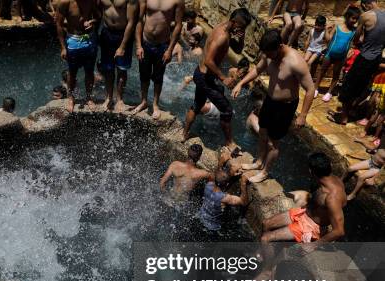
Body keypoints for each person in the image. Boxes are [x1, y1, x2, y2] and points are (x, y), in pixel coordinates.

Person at [232, 29, 315, 183]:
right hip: (270, 100)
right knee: (263, 132)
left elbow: (310, 90)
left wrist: (303, 115)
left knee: (273, 142)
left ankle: (265, 172)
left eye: (270, 54)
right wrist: (240, 83)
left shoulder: (296, 62)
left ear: (280, 46)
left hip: (285, 106)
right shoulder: (268, 54)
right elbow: (257, 69)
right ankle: (258, 162)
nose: (268, 57)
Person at [182, 8, 252, 147]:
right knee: (226, 110)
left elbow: (237, 49)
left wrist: (242, 36)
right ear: (234, 22)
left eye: (244, 28)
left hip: (201, 75)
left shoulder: (226, 29)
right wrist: (223, 78)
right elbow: (208, 60)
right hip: (204, 77)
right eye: (241, 26)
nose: (241, 29)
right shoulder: (222, 36)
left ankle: (184, 135)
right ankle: (229, 142)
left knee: (197, 105)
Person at [261, 152, 346, 243]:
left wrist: (314, 245)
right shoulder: (327, 179)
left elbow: (339, 231)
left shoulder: (332, 197)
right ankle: (266, 250)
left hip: (311, 226)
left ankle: (266, 256)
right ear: (330, 165)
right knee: (266, 223)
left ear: (311, 171)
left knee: (265, 238)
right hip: (303, 213)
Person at [332, 0, 385, 125]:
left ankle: (344, 117)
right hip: (376, 58)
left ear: (366, 4)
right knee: (364, 86)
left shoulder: (366, 16)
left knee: (349, 85)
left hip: (365, 57)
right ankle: (352, 110)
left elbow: (356, 37)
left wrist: (362, 42)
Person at [131, 0, 184, 119]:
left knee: (158, 77)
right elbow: (139, 20)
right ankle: (144, 101)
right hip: (146, 42)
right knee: (144, 74)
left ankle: (155, 104)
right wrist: (138, 45)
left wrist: (170, 49)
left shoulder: (177, 1)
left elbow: (178, 24)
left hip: (162, 44)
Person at [56, 0, 101, 112]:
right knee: (72, 72)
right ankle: (71, 98)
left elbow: (99, 16)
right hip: (73, 39)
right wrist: (63, 47)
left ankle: (89, 97)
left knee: (89, 71)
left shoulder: (91, 1)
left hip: (89, 38)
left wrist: (92, 22)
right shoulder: (64, 3)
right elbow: (59, 24)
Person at [313, 7, 360, 102]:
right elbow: (328, 39)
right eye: (353, 18)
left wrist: (351, 51)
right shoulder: (337, 27)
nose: (355, 21)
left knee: (336, 75)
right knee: (322, 71)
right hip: (329, 54)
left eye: (356, 19)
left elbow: (356, 42)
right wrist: (326, 30)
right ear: (347, 16)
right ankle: (315, 88)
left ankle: (329, 92)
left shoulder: (354, 31)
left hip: (341, 57)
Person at [98, 0, 138, 111]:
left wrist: (123, 46)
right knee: (108, 69)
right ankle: (109, 97)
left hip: (123, 34)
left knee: (122, 69)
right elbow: (97, 12)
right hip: (106, 33)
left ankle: (120, 99)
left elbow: (131, 22)